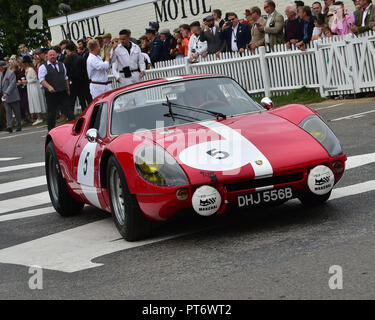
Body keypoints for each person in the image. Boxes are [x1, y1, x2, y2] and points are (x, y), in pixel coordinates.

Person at [38, 49, 74, 130]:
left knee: (69, 110)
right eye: (50, 55)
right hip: (51, 94)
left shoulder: (62, 64)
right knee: (51, 113)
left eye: (54, 54)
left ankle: (74, 128)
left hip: (62, 92)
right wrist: (49, 87)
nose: (52, 56)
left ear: (57, 55)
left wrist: (68, 89)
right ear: (47, 56)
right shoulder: (43, 67)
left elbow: (65, 77)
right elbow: (41, 80)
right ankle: (50, 131)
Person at [64, 42, 92, 113]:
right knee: (84, 100)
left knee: (72, 101)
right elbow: (86, 71)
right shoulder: (80, 58)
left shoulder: (67, 60)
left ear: (68, 50)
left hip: (72, 83)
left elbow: (66, 73)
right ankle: (87, 113)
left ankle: (71, 117)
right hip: (83, 82)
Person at [21, 55, 46, 125]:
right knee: (33, 101)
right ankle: (39, 117)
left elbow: (35, 79)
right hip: (30, 86)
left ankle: (40, 117)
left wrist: (26, 81)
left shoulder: (31, 69)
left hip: (34, 87)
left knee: (36, 100)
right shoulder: (28, 69)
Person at [0, 60, 22, 133]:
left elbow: (12, 84)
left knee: (17, 112)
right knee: (8, 112)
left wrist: (6, 93)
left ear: (3, 67)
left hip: (12, 96)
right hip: (5, 97)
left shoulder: (11, 73)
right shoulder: (0, 74)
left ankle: (19, 125)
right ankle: (9, 126)